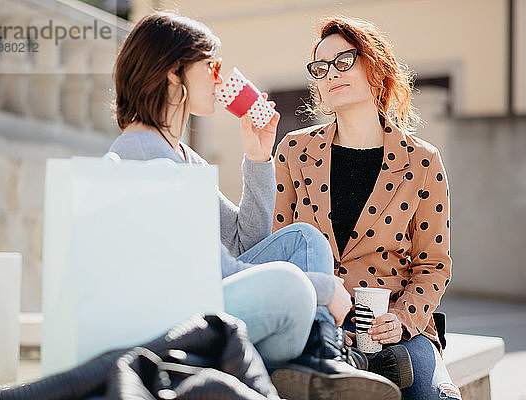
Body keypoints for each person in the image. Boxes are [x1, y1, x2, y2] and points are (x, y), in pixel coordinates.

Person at [107, 12, 400, 399]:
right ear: (174, 75)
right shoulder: (144, 157)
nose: (220, 77)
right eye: (210, 65)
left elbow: (245, 243)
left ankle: (320, 357)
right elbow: (218, 275)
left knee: (305, 240)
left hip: (207, 303)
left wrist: (258, 159)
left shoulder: (178, 155)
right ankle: (319, 357)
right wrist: (323, 288)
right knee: (290, 285)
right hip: (178, 320)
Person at [272, 16, 462, 400]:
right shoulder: (293, 150)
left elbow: (434, 265)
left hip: (395, 328)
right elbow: (280, 248)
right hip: (318, 325)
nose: (331, 73)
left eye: (345, 60)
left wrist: (403, 319)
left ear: (376, 68)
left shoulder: (422, 161)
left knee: (425, 393)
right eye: (321, 67)